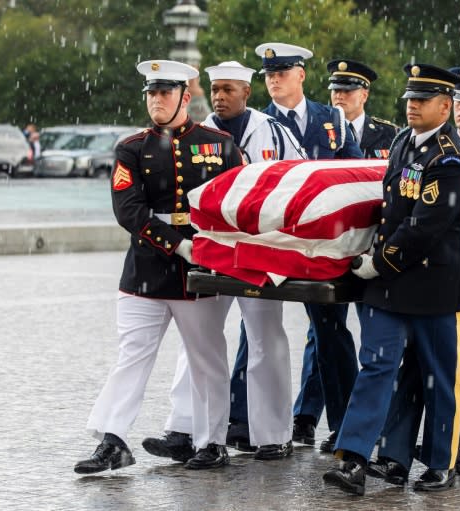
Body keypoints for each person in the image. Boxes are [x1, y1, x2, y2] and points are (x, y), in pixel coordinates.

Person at [74, 59, 243, 474]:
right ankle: (112, 440)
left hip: (200, 266)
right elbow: (129, 210)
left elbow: (240, 199)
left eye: (165, 92)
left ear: (185, 97)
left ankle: (210, 442)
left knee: (206, 359)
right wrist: (175, 244)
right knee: (131, 356)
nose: (156, 100)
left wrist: (208, 247)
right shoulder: (131, 148)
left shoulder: (219, 144)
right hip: (146, 267)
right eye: (151, 93)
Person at [141, 60, 306, 463]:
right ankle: (184, 429)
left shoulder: (273, 130)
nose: (220, 97)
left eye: (229, 90)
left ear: (247, 93)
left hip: (262, 248)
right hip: (212, 249)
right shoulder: (197, 134)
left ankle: (273, 435)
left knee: (266, 338)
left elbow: (300, 177)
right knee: (198, 341)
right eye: (216, 90)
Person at [322, 63, 460, 495]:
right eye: (410, 99)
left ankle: (441, 462)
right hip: (390, 284)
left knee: (440, 376)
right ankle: (355, 458)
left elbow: (424, 227)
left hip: (434, 286)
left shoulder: (450, 158)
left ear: (445, 106)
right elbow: (388, 207)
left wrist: (377, 263)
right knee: (377, 367)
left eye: (422, 101)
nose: (412, 107)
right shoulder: (403, 142)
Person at [256, 42, 364, 453]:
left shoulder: (331, 117)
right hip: (273, 243)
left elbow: (352, 168)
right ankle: (244, 422)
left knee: (332, 331)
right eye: (269, 74)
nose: (274, 79)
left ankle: (344, 425)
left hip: (321, 244)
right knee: (258, 333)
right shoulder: (258, 123)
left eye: (282, 72)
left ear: (301, 74)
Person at [327, 59, 398, 158]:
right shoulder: (319, 129)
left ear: (364, 96)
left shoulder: (390, 133)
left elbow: (404, 171)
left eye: (347, 91)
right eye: (335, 90)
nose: (339, 96)